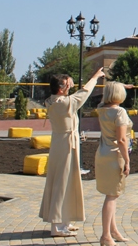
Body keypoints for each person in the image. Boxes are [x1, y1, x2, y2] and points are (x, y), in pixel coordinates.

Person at [39, 68, 105, 237]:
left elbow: (75, 95)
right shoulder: (63, 103)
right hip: (65, 145)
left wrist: (67, 83)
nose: (71, 85)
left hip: (63, 142)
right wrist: (95, 77)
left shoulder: (54, 100)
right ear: (61, 88)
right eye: (68, 83)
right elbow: (84, 93)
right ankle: (57, 226)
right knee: (62, 182)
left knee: (68, 181)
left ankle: (64, 221)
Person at [95, 81, 133, 246]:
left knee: (112, 194)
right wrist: (127, 160)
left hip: (102, 153)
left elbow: (106, 98)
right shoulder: (120, 112)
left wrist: (119, 85)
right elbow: (122, 139)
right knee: (112, 195)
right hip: (115, 155)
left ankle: (113, 230)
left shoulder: (101, 109)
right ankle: (105, 236)